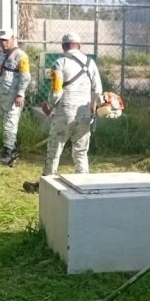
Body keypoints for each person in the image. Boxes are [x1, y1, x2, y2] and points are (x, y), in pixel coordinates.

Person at [23, 32, 102, 193]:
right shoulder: (90, 63)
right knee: (81, 151)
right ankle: (84, 184)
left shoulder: (59, 63)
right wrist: (93, 106)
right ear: (79, 46)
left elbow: (57, 92)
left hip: (65, 113)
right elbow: (97, 89)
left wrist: (49, 106)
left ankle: (46, 186)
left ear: (63, 46)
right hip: (85, 112)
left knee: (54, 150)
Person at [0, 28, 32, 164]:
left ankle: (8, 153)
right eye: (1, 40)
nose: (3, 43)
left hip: (13, 98)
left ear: (13, 39)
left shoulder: (20, 56)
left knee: (10, 124)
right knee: (4, 124)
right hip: (2, 95)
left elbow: (25, 77)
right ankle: (9, 148)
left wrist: (20, 94)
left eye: (6, 40)